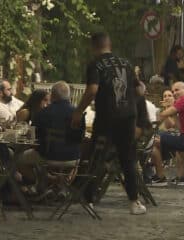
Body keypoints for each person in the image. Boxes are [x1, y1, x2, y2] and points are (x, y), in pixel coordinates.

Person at [71, 32, 146, 215]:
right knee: (127, 158)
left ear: (94, 46)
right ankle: (134, 202)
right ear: (109, 45)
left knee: (97, 157)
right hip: (128, 117)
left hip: (107, 117)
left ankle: (88, 200)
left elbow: (92, 89)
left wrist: (79, 111)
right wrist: (129, 101)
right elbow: (141, 89)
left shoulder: (95, 64)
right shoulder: (126, 63)